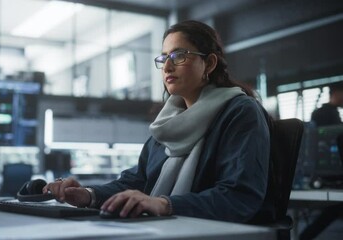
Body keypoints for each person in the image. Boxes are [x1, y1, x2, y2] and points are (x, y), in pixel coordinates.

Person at [43, 20, 272, 223]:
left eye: (179, 56)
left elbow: (240, 196)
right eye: (164, 58)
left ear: (209, 64)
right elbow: (137, 181)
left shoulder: (240, 112)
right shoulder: (169, 122)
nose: (167, 67)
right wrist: (88, 194)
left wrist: (164, 204)